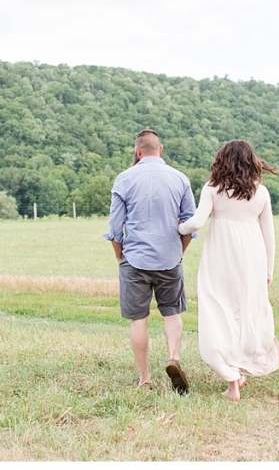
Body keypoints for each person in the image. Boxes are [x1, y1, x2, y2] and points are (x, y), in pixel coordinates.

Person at [178, 139, 279, 401]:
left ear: (222, 160)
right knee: (246, 312)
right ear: (251, 161)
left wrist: (179, 228)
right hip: (253, 257)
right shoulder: (261, 193)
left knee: (218, 312)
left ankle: (232, 380)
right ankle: (238, 372)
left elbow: (197, 222)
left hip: (220, 256)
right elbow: (269, 236)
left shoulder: (212, 188)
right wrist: (268, 269)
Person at [105, 128, 197, 393]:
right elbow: (190, 223)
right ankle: (173, 358)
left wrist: (119, 255)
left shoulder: (124, 179)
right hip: (170, 258)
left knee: (139, 319)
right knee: (171, 312)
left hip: (135, 260)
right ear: (161, 148)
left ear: (138, 151)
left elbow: (115, 226)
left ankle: (145, 378)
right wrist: (178, 252)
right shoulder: (179, 178)